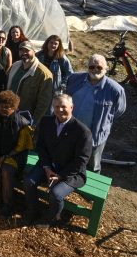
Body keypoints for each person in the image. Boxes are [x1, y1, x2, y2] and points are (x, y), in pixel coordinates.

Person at [23, 94, 92, 227]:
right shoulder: (46, 122)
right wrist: (47, 168)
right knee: (28, 182)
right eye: (56, 107)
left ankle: (50, 219)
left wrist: (60, 176)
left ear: (72, 107)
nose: (60, 110)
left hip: (71, 172)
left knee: (56, 194)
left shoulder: (82, 132)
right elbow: (41, 146)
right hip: (48, 166)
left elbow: (81, 161)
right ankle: (33, 211)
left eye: (63, 107)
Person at [65, 54, 127, 173]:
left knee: (92, 164)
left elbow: (120, 110)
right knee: (69, 156)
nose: (95, 70)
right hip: (71, 129)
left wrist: (105, 120)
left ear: (106, 68)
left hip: (95, 133)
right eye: (92, 67)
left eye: (99, 67)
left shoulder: (115, 90)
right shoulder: (74, 79)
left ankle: (90, 186)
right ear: (87, 67)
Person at [7, 41, 54, 125]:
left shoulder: (44, 74)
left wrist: (34, 122)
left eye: (27, 50)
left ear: (34, 51)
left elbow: (43, 103)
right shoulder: (15, 66)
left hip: (26, 119)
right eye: (21, 50)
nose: (24, 53)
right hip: (9, 112)